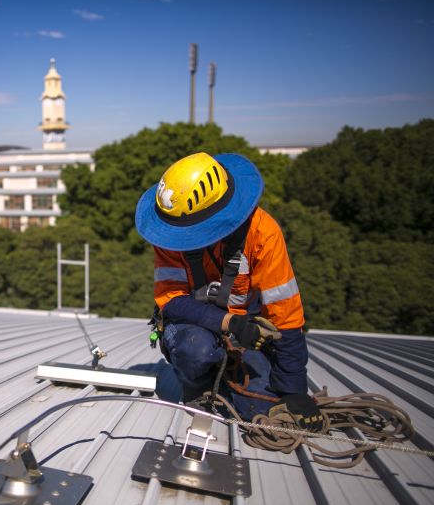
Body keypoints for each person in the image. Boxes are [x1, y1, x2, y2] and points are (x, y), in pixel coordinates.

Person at [135, 152, 322, 430]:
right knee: (195, 351)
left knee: (260, 411)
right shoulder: (171, 235)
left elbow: (286, 313)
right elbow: (172, 301)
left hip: (246, 329)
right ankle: (197, 388)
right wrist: (228, 322)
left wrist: (294, 390)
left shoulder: (262, 233)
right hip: (194, 326)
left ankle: (228, 377)